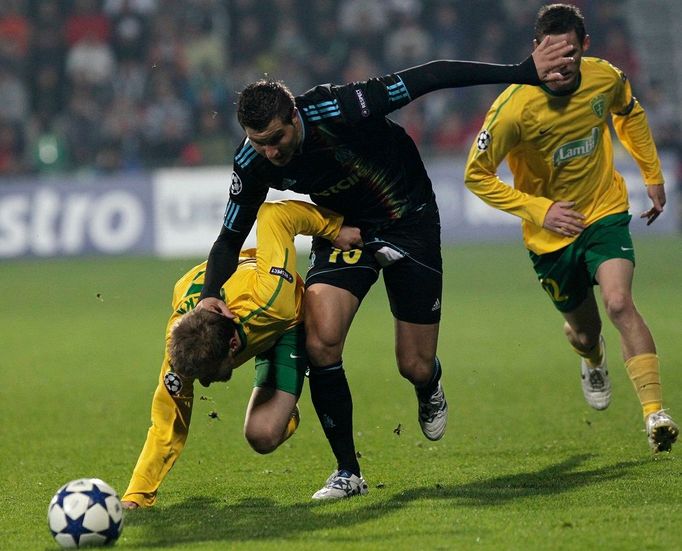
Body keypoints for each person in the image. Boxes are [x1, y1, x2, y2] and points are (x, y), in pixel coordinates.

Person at [197, 41, 575, 499]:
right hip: (344, 229)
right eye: (259, 143)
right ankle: (348, 472)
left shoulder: (339, 107)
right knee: (321, 339)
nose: (271, 152)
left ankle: (429, 382)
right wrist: (209, 295)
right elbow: (229, 236)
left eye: (276, 138)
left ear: (294, 116)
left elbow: (431, 75)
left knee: (412, 364)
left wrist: (522, 71)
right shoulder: (254, 162)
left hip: (409, 218)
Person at [464, 3, 678, 452]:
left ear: (585, 48)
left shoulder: (604, 76)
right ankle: (592, 355)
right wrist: (540, 210)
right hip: (550, 237)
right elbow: (476, 175)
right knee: (584, 329)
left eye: (570, 58)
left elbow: (629, 112)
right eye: (551, 56)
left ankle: (655, 413)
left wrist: (651, 172)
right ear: (536, 49)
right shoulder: (512, 109)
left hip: (603, 210)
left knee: (620, 303)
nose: (561, 70)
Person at [121, 200, 361, 508]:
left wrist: (333, 228)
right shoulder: (181, 345)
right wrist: (136, 496)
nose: (205, 385)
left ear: (234, 346)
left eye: (209, 375)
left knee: (267, 428)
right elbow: (168, 424)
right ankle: (281, 402)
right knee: (261, 438)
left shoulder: (274, 300)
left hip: (287, 324)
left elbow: (275, 213)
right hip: (239, 312)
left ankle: (288, 396)